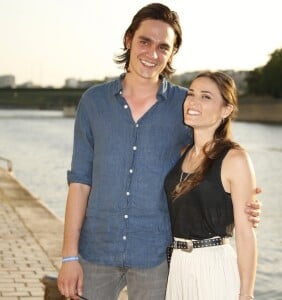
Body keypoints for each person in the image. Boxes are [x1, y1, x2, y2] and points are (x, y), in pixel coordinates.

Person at [57, 3, 261, 300]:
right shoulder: (93, 103)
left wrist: (244, 202)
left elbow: (219, 156)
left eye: (163, 47)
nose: (152, 54)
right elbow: (79, 182)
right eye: (145, 41)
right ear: (129, 40)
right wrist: (68, 257)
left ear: (172, 53)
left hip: (158, 260)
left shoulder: (187, 105)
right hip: (95, 253)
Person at [164, 71, 258, 300]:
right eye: (191, 94)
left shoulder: (235, 158)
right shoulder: (183, 153)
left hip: (213, 267)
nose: (193, 102)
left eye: (206, 97)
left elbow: (246, 234)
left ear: (225, 110)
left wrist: (246, 294)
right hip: (177, 265)